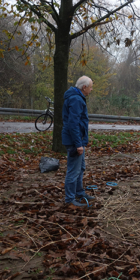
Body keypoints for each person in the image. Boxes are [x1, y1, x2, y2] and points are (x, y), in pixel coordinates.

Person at [62, 76, 94, 208]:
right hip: (74, 141)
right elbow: (73, 124)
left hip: (77, 139)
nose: (91, 90)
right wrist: (78, 144)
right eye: (90, 87)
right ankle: (70, 200)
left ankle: (79, 192)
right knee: (73, 171)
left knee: (80, 168)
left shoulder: (77, 97)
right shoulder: (76, 99)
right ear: (84, 87)